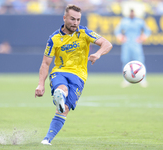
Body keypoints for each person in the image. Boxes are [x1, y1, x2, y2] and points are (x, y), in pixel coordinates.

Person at [35, 4, 113, 145]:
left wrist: (97, 54)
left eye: (78, 20)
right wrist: (41, 84)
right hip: (60, 72)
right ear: (64, 18)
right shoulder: (54, 39)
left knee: (64, 109)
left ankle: (47, 139)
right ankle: (59, 94)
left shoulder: (84, 32)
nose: (75, 23)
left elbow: (107, 44)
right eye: (72, 19)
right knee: (61, 89)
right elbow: (45, 63)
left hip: (79, 76)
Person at [114, 9, 151, 88]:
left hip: (136, 44)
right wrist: (121, 37)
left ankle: (143, 79)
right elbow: (117, 31)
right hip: (126, 44)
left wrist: (142, 37)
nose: (132, 13)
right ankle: (126, 79)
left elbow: (147, 31)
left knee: (140, 61)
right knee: (125, 60)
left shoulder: (139, 21)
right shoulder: (124, 21)